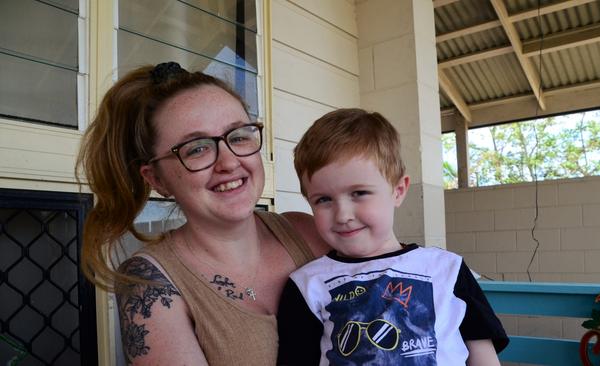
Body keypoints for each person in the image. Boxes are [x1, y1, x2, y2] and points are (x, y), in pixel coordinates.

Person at [76, 62, 329, 365]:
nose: (229, 162)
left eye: (237, 136)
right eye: (196, 148)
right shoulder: (150, 284)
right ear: (156, 179)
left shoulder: (309, 232)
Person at [276, 108, 509, 365]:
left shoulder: (447, 269)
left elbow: (482, 353)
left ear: (398, 191)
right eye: (323, 199)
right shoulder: (308, 284)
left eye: (359, 193)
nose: (342, 214)